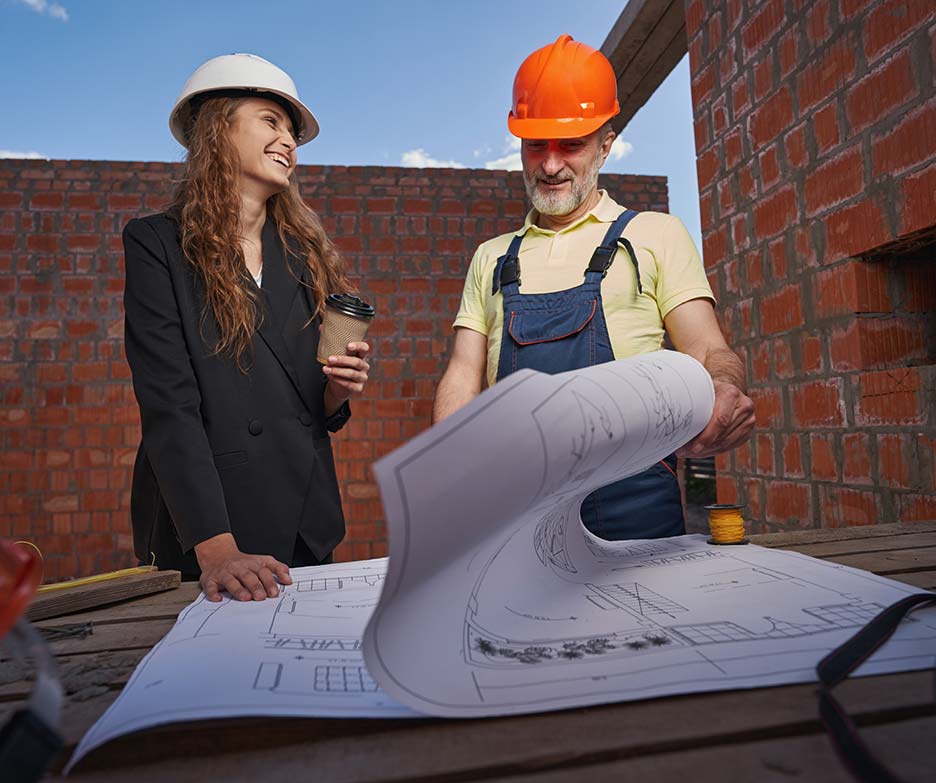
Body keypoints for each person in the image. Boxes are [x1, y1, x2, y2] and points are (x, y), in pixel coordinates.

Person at [433, 35, 755, 540]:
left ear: (606, 145)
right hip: (519, 514)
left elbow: (709, 348)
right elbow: (462, 374)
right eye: (536, 145)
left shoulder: (653, 235)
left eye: (571, 144)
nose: (551, 164)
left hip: (638, 509)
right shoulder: (493, 257)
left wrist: (723, 389)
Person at [123, 54, 370, 602]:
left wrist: (336, 389)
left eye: (292, 131)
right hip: (211, 529)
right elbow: (169, 406)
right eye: (270, 121)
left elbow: (309, 405)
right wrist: (217, 548)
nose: (289, 141)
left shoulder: (303, 255)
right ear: (218, 128)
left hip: (306, 519)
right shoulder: (157, 245)